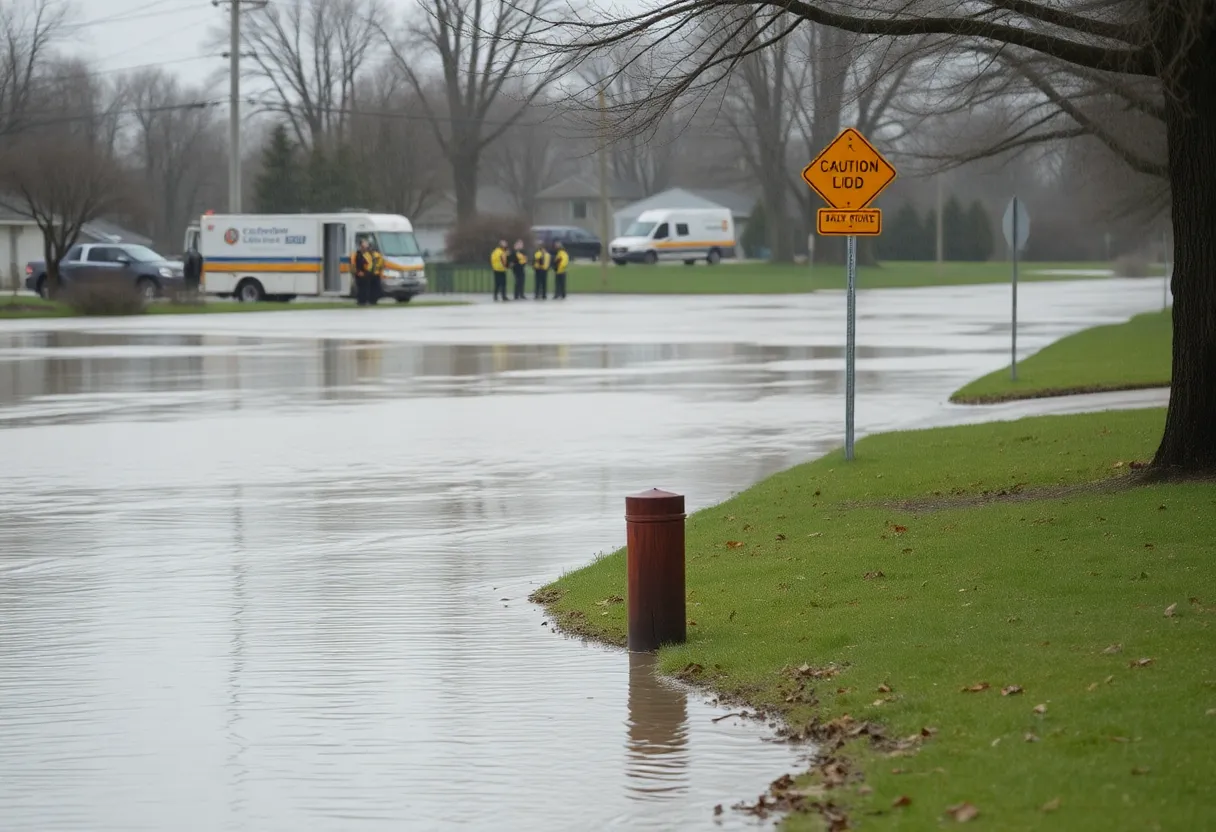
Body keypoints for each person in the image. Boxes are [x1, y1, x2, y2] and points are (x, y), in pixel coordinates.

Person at [351, 237, 376, 306]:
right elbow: (355, 264)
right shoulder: (357, 254)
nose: (365, 247)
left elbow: (372, 263)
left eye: (366, 245)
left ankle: (366, 301)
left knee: (367, 288)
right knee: (361, 288)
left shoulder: (369, 254)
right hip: (360, 273)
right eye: (364, 245)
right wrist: (358, 272)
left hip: (367, 274)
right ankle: (361, 301)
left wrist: (370, 272)